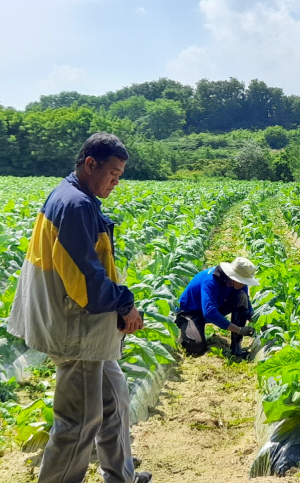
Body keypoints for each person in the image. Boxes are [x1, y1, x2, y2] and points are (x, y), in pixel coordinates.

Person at [7, 133, 152, 483]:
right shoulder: (75, 205)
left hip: (87, 329)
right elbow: (85, 282)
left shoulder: (72, 196)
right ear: (90, 164)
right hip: (77, 331)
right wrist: (125, 303)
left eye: (120, 176)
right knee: (78, 423)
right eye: (113, 174)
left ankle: (121, 477)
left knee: (114, 403)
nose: (116, 182)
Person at [175, 257, 258, 357]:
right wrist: (239, 329)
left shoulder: (239, 284)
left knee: (241, 296)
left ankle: (236, 348)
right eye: (241, 281)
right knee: (195, 348)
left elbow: (246, 306)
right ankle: (185, 332)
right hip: (191, 312)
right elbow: (209, 312)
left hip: (215, 306)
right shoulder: (210, 281)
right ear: (232, 276)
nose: (243, 284)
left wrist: (259, 322)